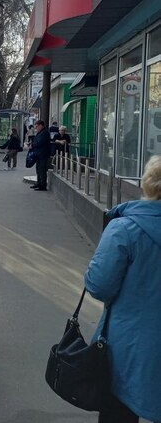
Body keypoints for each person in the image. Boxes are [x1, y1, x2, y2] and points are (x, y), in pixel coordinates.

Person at [85, 154, 161, 423]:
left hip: (128, 343)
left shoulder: (125, 228)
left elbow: (99, 285)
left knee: (118, 410)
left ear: (147, 184)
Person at [29, 120, 51, 191]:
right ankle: (39, 183)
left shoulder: (45, 133)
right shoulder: (39, 133)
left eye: (37, 126)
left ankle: (43, 185)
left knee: (42, 170)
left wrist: (32, 145)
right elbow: (36, 141)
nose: (36, 127)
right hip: (38, 154)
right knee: (38, 170)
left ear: (41, 125)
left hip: (43, 154)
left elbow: (40, 142)